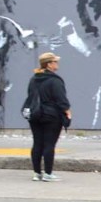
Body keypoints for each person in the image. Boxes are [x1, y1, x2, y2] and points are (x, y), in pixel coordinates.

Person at [24, 52, 72, 182]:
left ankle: (37, 173)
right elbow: (61, 99)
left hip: (35, 114)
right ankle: (48, 173)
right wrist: (67, 111)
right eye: (55, 62)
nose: (57, 64)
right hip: (52, 115)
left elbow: (30, 96)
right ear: (49, 64)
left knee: (37, 143)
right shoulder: (55, 80)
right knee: (49, 144)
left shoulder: (34, 78)